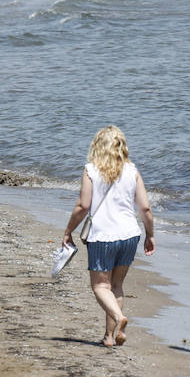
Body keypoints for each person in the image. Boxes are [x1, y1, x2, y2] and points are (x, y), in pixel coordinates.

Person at [61, 126, 156, 347]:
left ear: (98, 146)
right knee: (117, 285)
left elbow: (83, 205)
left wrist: (68, 231)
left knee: (100, 287)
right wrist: (150, 235)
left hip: (102, 235)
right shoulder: (132, 171)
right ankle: (109, 337)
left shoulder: (91, 170)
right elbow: (146, 209)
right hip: (129, 235)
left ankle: (118, 318)